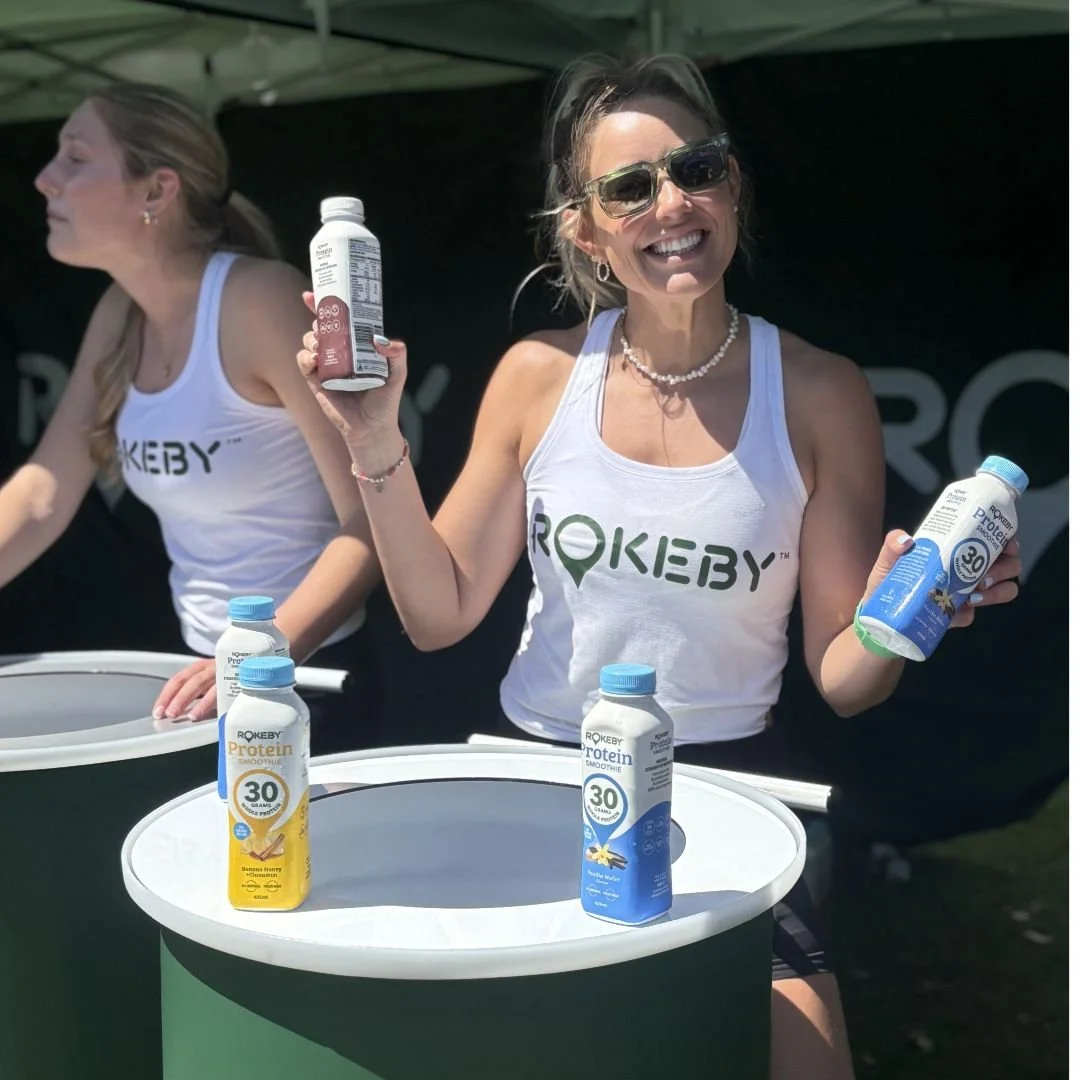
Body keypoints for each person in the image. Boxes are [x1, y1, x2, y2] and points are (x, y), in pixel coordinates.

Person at [296, 53, 1022, 1078]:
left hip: (733, 794)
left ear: (733, 187)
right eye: (630, 187)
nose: (671, 204)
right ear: (584, 229)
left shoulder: (820, 392)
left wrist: (911, 614)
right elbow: (438, 611)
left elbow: (846, 681)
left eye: (697, 169)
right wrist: (373, 437)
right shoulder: (538, 376)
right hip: (543, 777)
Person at [1, 83, 383, 754]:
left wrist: (262, 657)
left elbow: (375, 521)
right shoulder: (119, 314)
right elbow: (42, 492)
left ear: (157, 190)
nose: (44, 179)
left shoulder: (260, 300)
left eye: (75, 158)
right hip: (196, 678)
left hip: (310, 685)